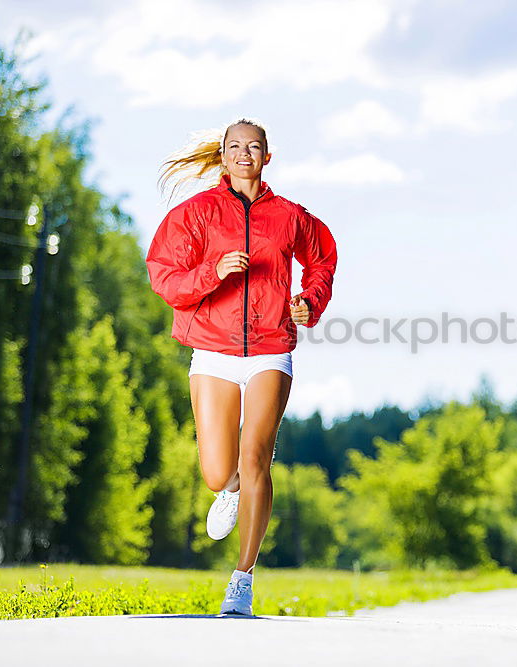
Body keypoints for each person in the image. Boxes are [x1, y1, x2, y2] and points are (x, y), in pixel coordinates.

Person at [145, 118, 338, 616]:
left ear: (267, 157)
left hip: (272, 347)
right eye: (235, 147)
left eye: (254, 147)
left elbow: (322, 259)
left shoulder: (289, 216)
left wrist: (308, 302)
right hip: (212, 349)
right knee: (217, 472)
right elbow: (164, 276)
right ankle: (229, 490)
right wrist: (214, 271)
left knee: (256, 460)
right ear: (224, 156)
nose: (244, 154)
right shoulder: (197, 213)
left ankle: (242, 580)